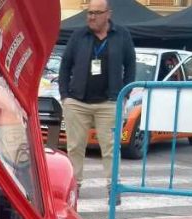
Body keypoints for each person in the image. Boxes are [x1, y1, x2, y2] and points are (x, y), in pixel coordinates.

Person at [58, 0, 136, 202]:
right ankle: (74, 187)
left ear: (108, 14)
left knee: (111, 148)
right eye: (89, 12)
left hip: (109, 102)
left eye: (96, 13)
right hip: (77, 102)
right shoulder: (79, 35)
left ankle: (113, 188)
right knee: (75, 147)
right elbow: (65, 66)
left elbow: (130, 65)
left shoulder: (122, 35)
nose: (91, 17)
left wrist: (125, 94)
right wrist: (65, 96)